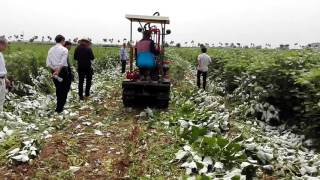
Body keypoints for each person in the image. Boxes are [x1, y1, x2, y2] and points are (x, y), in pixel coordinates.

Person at [46, 35, 70, 113]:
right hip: (62, 70)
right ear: (62, 40)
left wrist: (54, 70)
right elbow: (62, 62)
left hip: (53, 71)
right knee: (65, 88)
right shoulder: (64, 50)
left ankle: (59, 106)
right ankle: (60, 107)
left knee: (58, 87)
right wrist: (58, 70)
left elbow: (48, 63)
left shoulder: (50, 49)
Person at [0, 37, 11, 112]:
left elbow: (2, 68)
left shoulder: (1, 54)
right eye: (5, 45)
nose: (6, 47)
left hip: (2, 79)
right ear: (1, 44)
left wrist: (6, 78)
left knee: (1, 99)